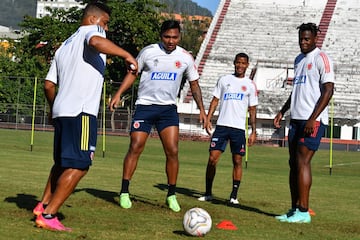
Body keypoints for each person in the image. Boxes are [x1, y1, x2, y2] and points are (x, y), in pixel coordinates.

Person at [32, 2, 137, 231]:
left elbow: (49, 85)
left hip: (62, 111)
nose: (106, 29)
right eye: (105, 23)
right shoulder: (92, 32)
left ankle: (42, 205)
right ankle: (49, 216)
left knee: (61, 164)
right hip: (81, 112)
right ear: (93, 19)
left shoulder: (64, 46)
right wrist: (126, 54)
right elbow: (96, 41)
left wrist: (53, 108)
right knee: (81, 165)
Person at [109, 20, 207, 212]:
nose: (171, 41)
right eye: (167, 37)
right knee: (135, 146)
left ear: (180, 37)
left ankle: (171, 194)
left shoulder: (185, 57)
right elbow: (133, 73)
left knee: (172, 150)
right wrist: (119, 93)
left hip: (167, 110)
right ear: (161, 36)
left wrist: (202, 110)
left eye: (175, 37)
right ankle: (124, 191)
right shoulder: (148, 52)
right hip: (145, 107)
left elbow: (194, 84)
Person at [273, 23, 334, 223]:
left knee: (302, 161)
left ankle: (304, 211)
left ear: (315, 38)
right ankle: (293, 210)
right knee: (293, 164)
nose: (303, 42)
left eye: (307, 39)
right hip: (296, 120)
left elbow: (328, 90)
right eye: (301, 39)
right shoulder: (298, 59)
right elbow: (296, 91)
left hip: (312, 121)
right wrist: (282, 111)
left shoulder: (321, 58)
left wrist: (313, 118)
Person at [198, 52, 258, 205]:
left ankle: (233, 195)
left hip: (238, 129)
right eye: (238, 62)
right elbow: (215, 100)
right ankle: (208, 192)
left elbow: (252, 109)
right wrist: (208, 118)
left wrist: (253, 130)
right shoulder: (224, 80)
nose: (240, 65)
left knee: (237, 161)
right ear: (234, 63)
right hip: (222, 126)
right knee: (212, 159)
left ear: (247, 65)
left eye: (243, 63)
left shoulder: (250, 85)